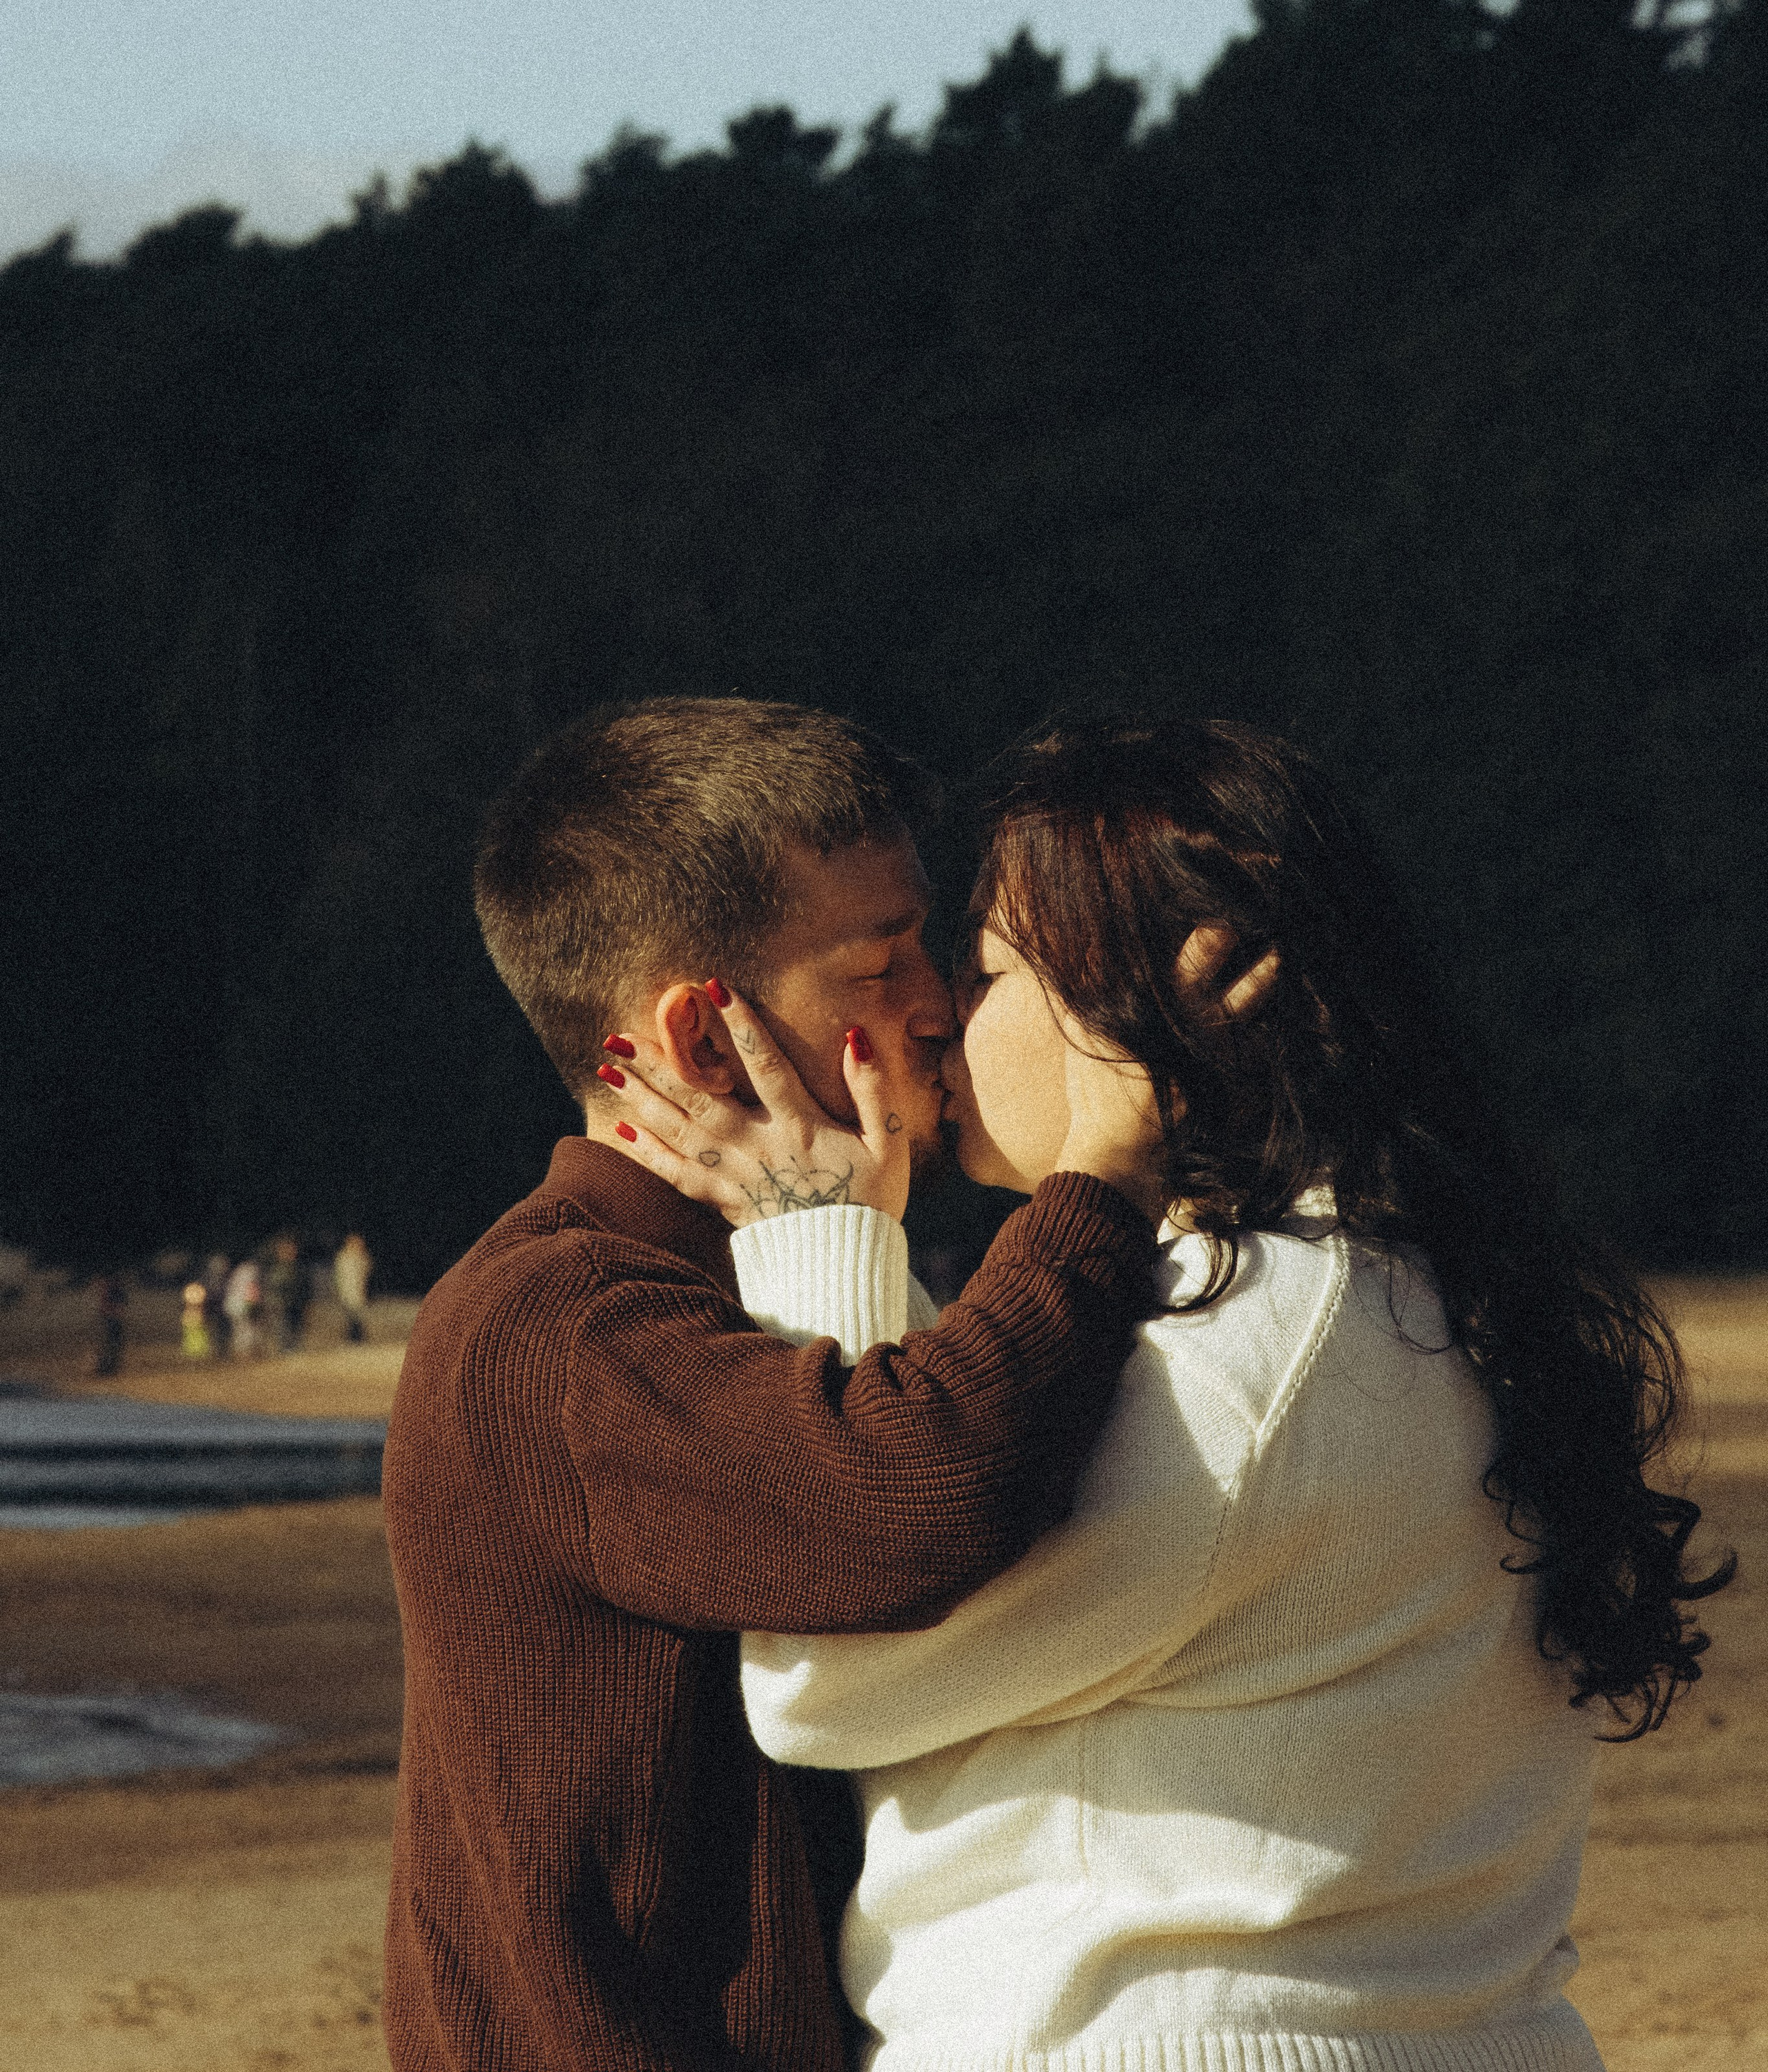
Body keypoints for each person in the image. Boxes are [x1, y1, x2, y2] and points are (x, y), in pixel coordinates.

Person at [615, 716, 1733, 2072]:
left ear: (1132, 1007)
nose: (942, 1023)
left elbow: (829, 1671)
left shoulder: (1248, 1348)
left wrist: (818, 1246)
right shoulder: (1391, 1293)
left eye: (985, 973)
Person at [381, 697, 1162, 2072]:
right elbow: (911, 1502)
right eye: (882, 961)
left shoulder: (738, 1281)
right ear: (699, 1038)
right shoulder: (558, 1318)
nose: (942, 1006)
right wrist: (1103, 1174)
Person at [333, 1230, 372, 1343]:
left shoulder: (361, 1258)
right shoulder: (343, 1258)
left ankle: (357, 1338)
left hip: (358, 1290)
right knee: (351, 1315)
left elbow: (366, 1271)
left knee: (358, 1315)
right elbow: (339, 1276)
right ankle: (353, 1338)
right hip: (347, 1290)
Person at [222, 1254, 262, 1359]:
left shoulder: (238, 1270)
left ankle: (240, 1353)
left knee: (239, 1330)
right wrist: (254, 1304)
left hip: (231, 1303)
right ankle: (245, 1354)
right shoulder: (251, 1269)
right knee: (247, 1329)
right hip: (242, 1303)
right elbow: (251, 1287)